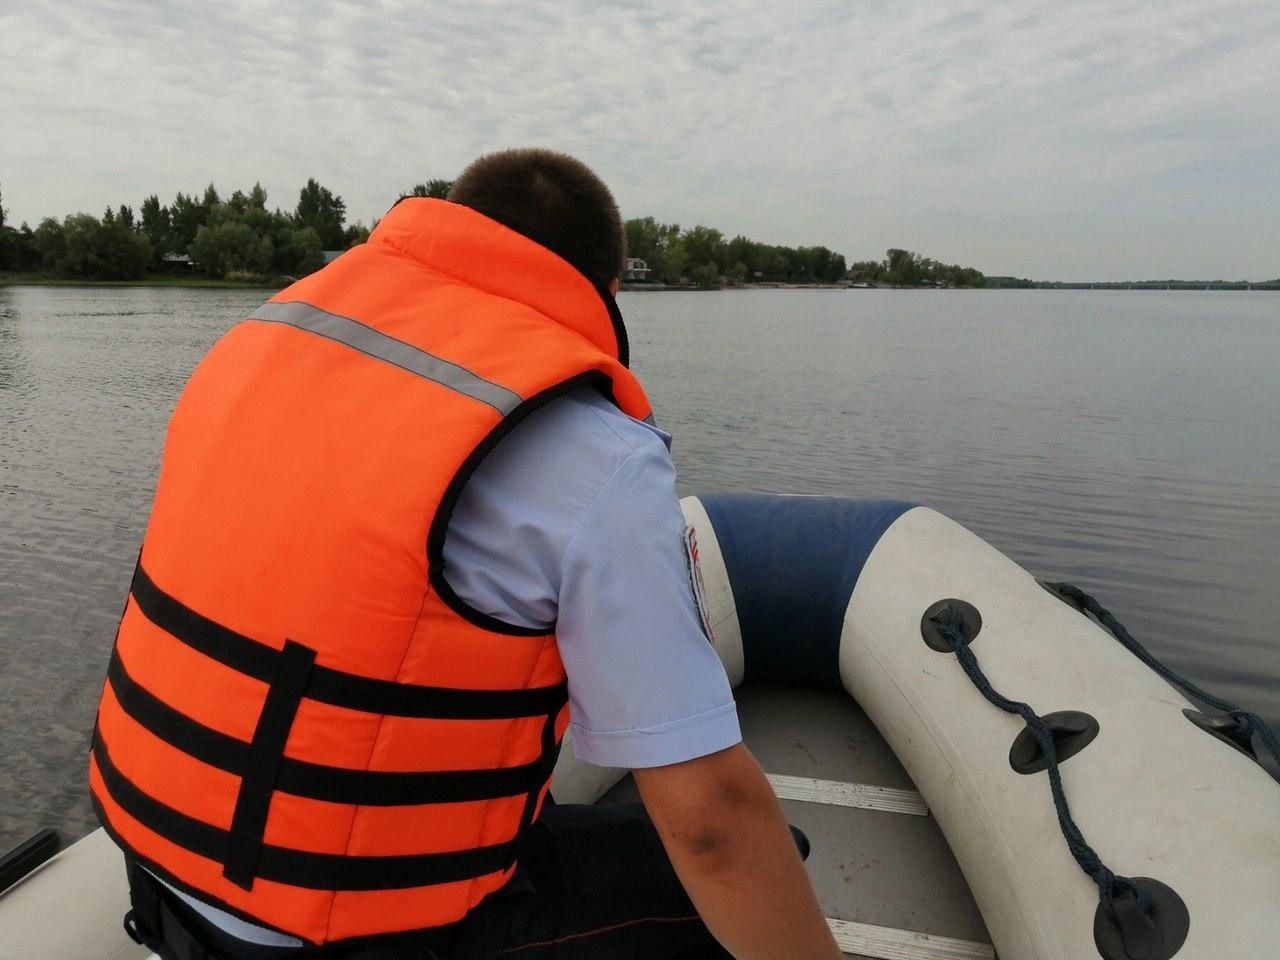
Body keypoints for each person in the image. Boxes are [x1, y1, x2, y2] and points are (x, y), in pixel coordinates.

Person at [89, 148, 842, 960]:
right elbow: (712, 830)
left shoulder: (255, 345)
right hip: (358, 938)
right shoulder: (598, 455)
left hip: (158, 875)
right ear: (608, 289)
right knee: (769, 865)